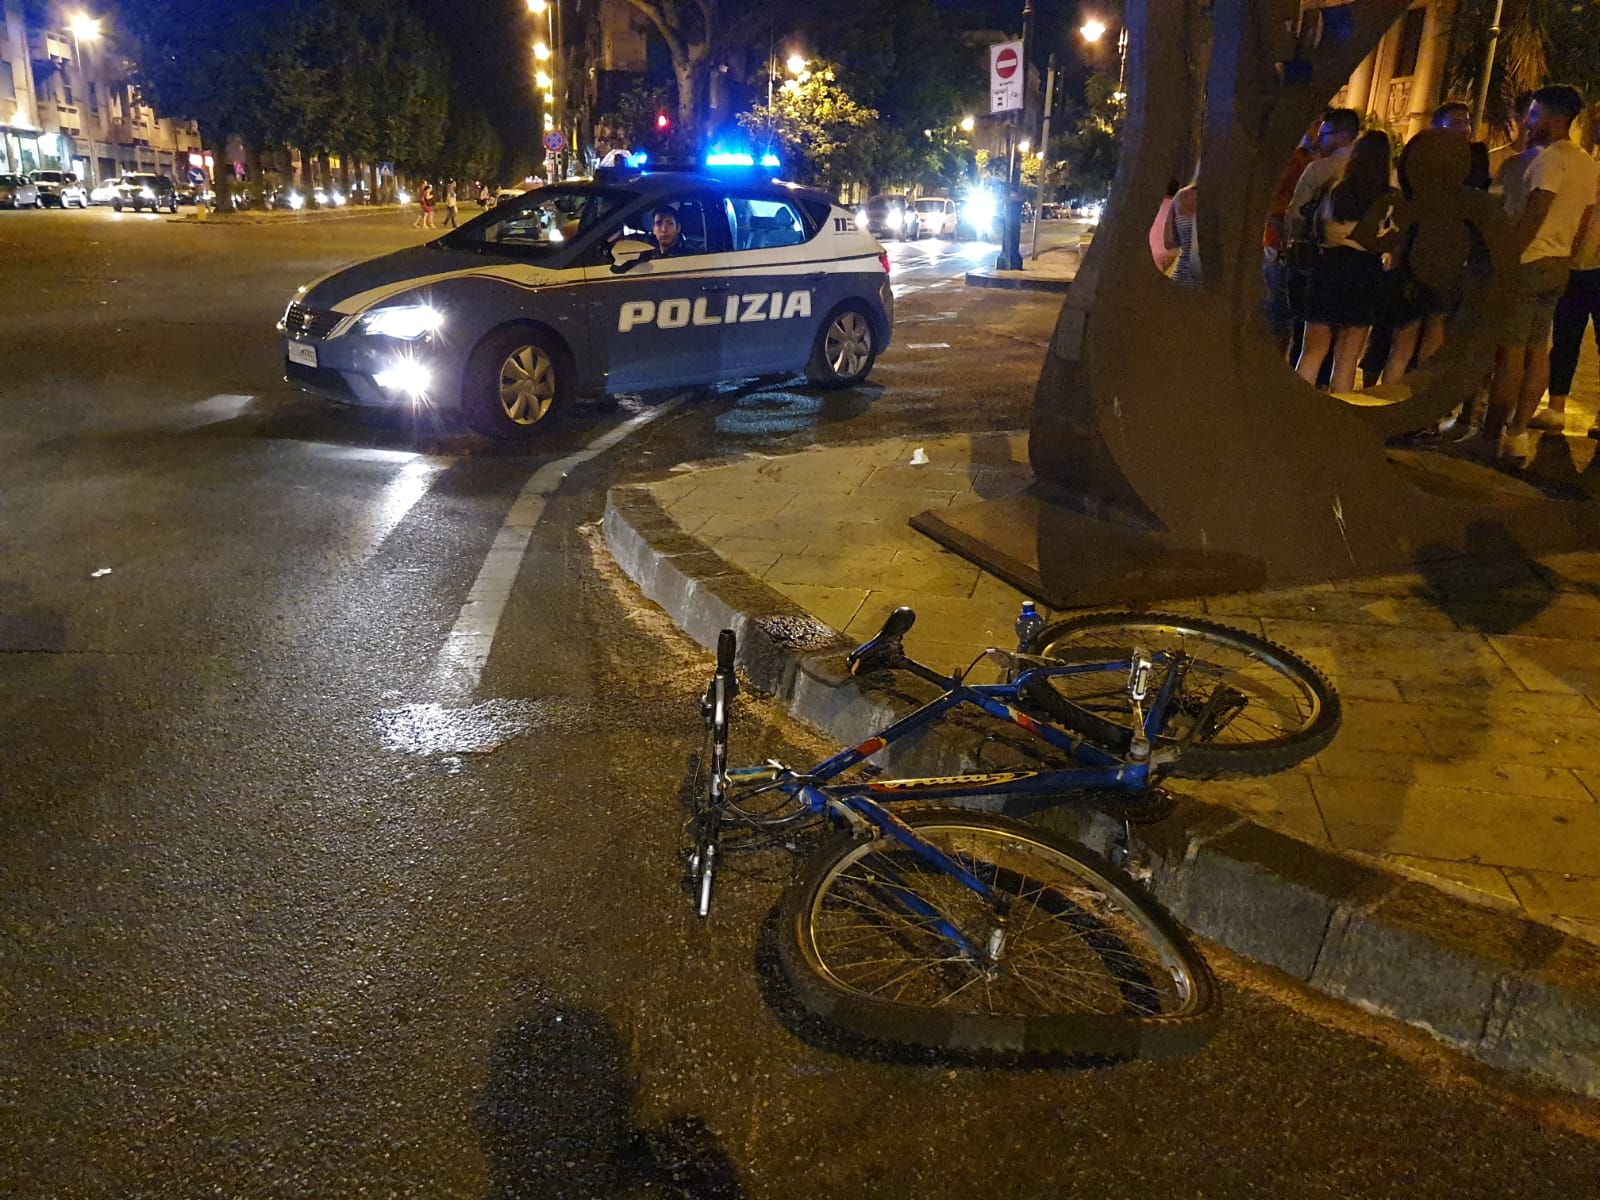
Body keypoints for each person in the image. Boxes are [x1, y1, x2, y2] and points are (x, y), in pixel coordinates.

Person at [1484, 85, 1600, 465]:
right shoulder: (1586, 163)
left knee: (1511, 353)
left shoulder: (1550, 160)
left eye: (1535, 114)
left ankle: (1492, 435)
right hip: (1558, 264)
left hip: (1530, 262)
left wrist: (1508, 259)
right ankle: (1518, 434)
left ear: (1555, 118)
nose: (1528, 122)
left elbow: (1535, 212)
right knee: (1538, 350)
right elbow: (1583, 220)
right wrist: (1568, 259)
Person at [1295, 129, 1397, 394]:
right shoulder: (1387, 198)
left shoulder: (1336, 190)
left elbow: (1321, 229)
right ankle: (1338, 414)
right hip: (1365, 273)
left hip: (1328, 268)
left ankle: (1293, 410)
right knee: (1347, 359)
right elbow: (1389, 240)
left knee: (1312, 351)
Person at [1539, 109, 1600, 438]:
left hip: (1582, 263)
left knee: (1566, 338)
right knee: (1564, 339)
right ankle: (1556, 406)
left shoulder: (1587, 166)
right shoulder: (1588, 167)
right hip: (1576, 264)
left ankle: (1558, 408)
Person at [1162, 169, 1202, 288]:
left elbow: (1168, 242)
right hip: (1210, 286)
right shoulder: (1231, 202)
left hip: (1180, 280)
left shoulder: (1181, 195)